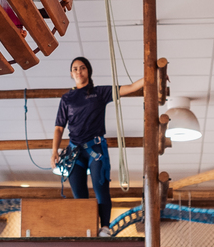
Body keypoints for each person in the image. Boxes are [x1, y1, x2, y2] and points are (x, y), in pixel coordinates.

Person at [51, 56, 144, 237]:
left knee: (100, 187)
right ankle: (86, 229)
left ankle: (105, 228)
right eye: (75, 69)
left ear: (88, 71)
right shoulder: (67, 98)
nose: (79, 71)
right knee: (79, 195)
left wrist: (152, 75)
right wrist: (54, 151)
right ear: (71, 74)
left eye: (82, 68)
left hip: (95, 149)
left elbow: (131, 87)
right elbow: (59, 127)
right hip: (74, 151)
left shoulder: (99, 93)